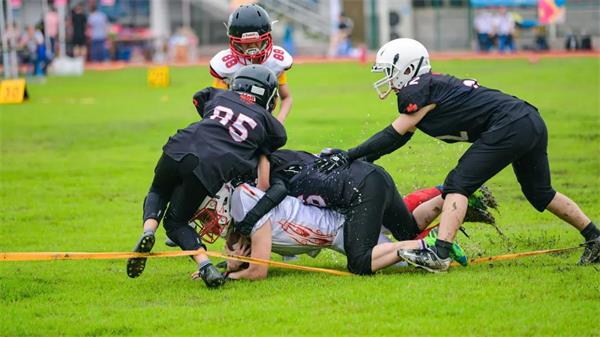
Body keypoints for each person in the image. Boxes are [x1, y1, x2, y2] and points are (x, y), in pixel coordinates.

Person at [315, 38, 600, 272]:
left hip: (509, 124)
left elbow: (393, 132)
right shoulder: (427, 88)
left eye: (390, 70)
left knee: (458, 184)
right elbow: (398, 139)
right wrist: (364, 158)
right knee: (540, 193)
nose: (387, 78)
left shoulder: (418, 88)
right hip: (528, 120)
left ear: (407, 68)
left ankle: (440, 253)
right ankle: (595, 237)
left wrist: (350, 155)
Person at [125, 65, 287, 287]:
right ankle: (205, 265)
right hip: (211, 165)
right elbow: (278, 139)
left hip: (179, 145)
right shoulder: (269, 122)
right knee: (176, 221)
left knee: (158, 190)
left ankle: (148, 231)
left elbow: (199, 97)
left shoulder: (218, 94)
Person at [231, 149, 468, 276]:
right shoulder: (286, 157)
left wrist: (247, 222)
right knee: (407, 229)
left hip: (360, 188)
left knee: (360, 261)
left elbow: (278, 191)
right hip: (373, 175)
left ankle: (429, 244)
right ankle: (451, 199)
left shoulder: (273, 168)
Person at [209, 4, 294, 124]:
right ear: (235, 42)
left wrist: (278, 121)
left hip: (263, 124)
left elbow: (286, 97)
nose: (252, 47)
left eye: (256, 42)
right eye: (246, 43)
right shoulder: (226, 66)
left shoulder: (275, 62)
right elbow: (216, 105)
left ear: (265, 39)